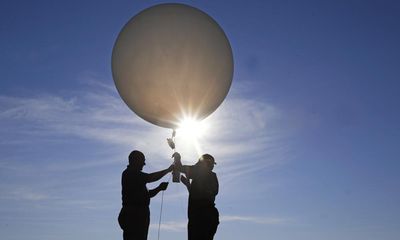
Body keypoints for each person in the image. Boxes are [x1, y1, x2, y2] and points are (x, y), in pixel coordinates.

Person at [118, 150, 173, 240]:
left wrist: (159, 188)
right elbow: (150, 178)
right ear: (135, 160)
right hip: (134, 216)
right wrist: (167, 170)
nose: (144, 164)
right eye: (142, 161)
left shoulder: (135, 175)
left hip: (138, 215)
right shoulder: (129, 173)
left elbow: (147, 195)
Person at [174, 152, 219, 240]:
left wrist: (178, 158)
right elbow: (201, 194)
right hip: (209, 215)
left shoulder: (201, 172)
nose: (213, 166)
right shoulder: (211, 176)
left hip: (199, 216)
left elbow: (179, 167)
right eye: (212, 164)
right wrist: (188, 185)